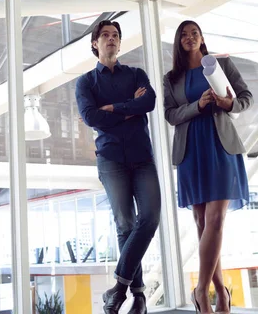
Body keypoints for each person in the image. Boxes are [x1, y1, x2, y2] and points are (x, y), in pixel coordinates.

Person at [163, 20, 252, 314]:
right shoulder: (171, 78)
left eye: (195, 33)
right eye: (184, 35)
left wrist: (228, 104)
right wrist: (197, 106)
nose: (190, 38)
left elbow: (244, 99)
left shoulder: (222, 63)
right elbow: (170, 115)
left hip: (220, 144)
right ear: (179, 42)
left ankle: (201, 290)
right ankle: (222, 293)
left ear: (202, 38)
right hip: (191, 150)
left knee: (215, 220)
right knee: (202, 224)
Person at [75, 20, 161, 314]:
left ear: (120, 44)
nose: (111, 39)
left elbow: (148, 101)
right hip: (111, 159)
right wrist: (128, 108)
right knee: (124, 224)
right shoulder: (85, 82)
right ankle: (138, 296)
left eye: (115, 36)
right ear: (94, 44)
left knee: (149, 218)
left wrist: (112, 109)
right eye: (105, 36)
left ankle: (119, 288)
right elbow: (90, 117)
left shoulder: (137, 74)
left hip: (142, 157)